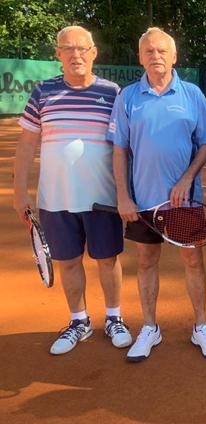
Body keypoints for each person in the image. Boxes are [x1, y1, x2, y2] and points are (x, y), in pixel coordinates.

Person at [13, 26, 132, 355]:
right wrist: (19, 191)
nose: (76, 54)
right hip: (55, 198)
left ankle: (114, 317)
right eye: (68, 49)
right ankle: (79, 321)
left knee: (107, 259)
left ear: (94, 52)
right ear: (58, 54)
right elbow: (27, 144)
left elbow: (123, 146)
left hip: (102, 199)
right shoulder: (43, 92)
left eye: (82, 48)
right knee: (67, 262)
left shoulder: (112, 92)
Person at [107, 27, 206, 363]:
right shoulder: (128, 97)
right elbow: (119, 149)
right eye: (149, 51)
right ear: (140, 57)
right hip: (143, 200)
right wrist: (123, 196)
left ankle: (201, 326)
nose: (155, 56)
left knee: (193, 261)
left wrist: (187, 178)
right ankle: (150, 327)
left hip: (184, 202)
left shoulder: (191, 94)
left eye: (161, 51)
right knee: (146, 262)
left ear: (174, 56)